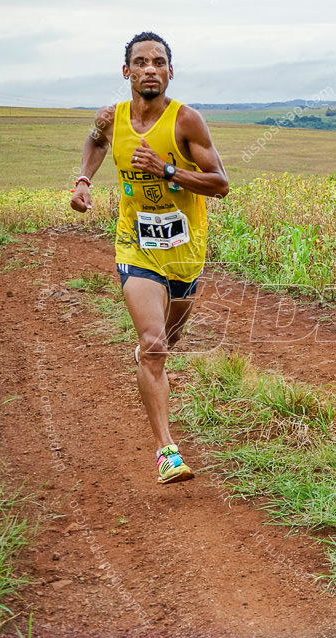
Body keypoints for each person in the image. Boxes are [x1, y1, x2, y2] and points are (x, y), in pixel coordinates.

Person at [69, 31, 229, 484]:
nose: (149, 69)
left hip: (185, 253)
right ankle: (166, 451)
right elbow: (98, 142)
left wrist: (167, 170)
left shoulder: (186, 122)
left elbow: (220, 183)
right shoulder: (110, 118)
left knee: (167, 341)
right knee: (155, 345)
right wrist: (84, 180)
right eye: (140, 62)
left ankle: (148, 355)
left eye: (158, 62)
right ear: (127, 72)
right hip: (135, 246)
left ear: (170, 72)